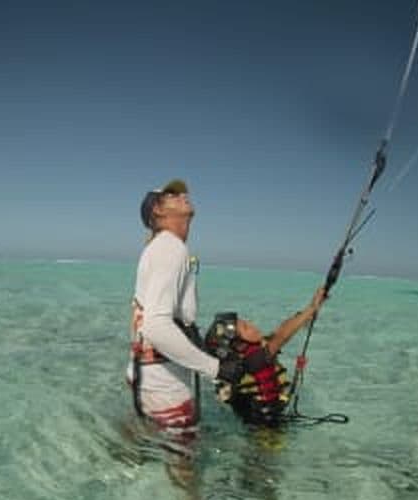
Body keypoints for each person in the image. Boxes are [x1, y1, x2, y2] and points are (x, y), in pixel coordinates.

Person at [127, 178, 243, 429]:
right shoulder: (171, 247)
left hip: (149, 373)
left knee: (146, 438)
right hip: (164, 383)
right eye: (172, 194)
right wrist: (216, 369)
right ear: (158, 210)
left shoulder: (162, 247)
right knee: (181, 451)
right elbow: (156, 326)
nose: (183, 195)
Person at [205, 287, 328, 426]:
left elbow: (280, 330)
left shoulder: (253, 352)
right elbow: (282, 336)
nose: (252, 325)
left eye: (247, 322)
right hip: (264, 427)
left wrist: (308, 310)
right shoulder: (253, 361)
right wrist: (311, 308)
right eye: (245, 327)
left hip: (265, 418)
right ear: (238, 345)